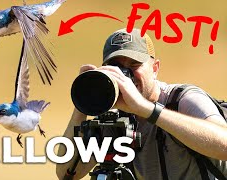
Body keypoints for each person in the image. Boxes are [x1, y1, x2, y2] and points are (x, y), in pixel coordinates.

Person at [56, 28, 227, 180]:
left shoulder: (181, 99)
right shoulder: (113, 115)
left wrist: (145, 108)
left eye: (134, 65)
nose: (126, 75)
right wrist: (83, 102)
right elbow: (67, 173)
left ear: (155, 68)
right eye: (117, 67)